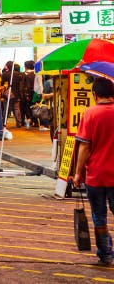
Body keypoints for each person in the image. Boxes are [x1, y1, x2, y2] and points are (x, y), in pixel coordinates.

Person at [73, 77, 114, 266]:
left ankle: (105, 254)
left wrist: (77, 173)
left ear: (94, 94)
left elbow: (84, 148)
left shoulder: (90, 114)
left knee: (100, 216)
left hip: (96, 176)